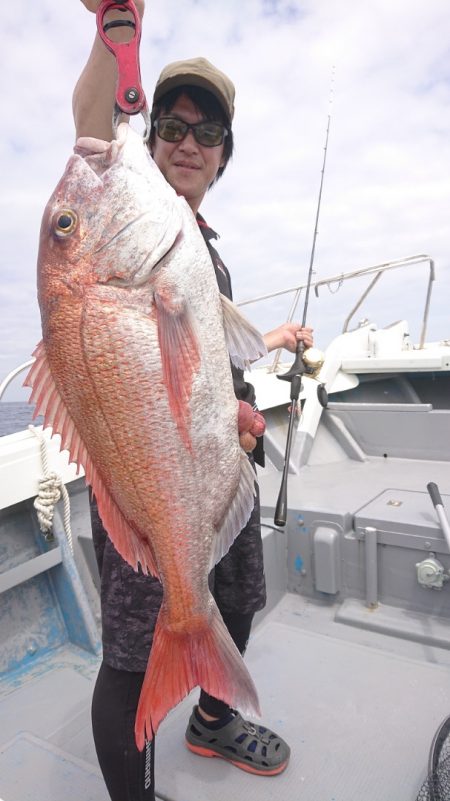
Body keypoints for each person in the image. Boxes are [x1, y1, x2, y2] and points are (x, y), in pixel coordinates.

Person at [74, 2, 314, 799]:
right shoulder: (123, 216)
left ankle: (212, 719)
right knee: (133, 656)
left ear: (221, 159)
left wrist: (244, 404)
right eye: (170, 126)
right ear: (149, 139)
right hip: (148, 479)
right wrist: (117, 29)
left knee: (237, 600)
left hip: (213, 467)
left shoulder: (198, 252)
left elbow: (211, 367)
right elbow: (91, 124)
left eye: (205, 135)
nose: (185, 142)